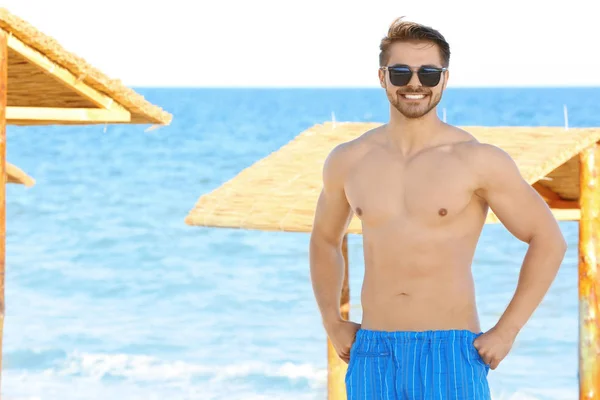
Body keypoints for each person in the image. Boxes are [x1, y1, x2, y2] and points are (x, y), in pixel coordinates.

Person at [308, 16, 567, 399]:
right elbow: (324, 241)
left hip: (451, 352)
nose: (415, 84)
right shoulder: (349, 160)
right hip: (373, 353)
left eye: (429, 74)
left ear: (444, 79)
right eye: (401, 72)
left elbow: (548, 239)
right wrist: (332, 321)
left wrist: (507, 330)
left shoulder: (476, 159)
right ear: (382, 77)